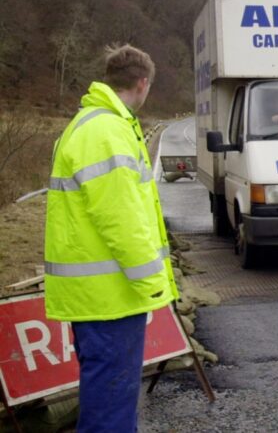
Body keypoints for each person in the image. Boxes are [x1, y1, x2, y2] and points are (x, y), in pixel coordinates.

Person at [44, 44, 178, 431]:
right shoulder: (106, 130)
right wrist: (154, 284)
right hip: (110, 298)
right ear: (142, 83)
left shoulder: (94, 125)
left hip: (99, 296)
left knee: (107, 398)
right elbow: (122, 219)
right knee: (111, 408)